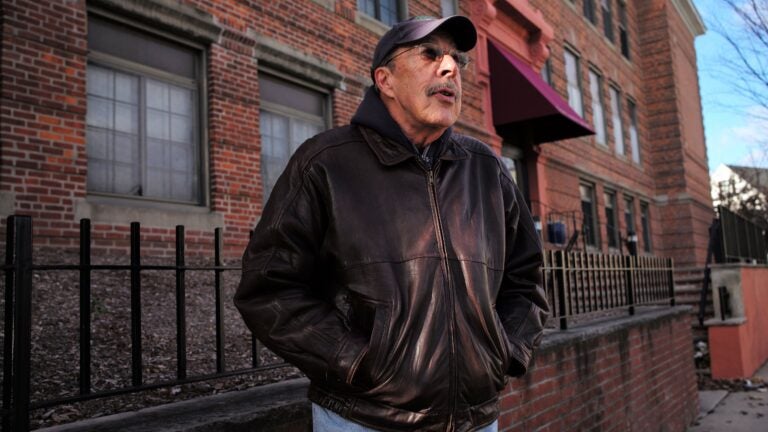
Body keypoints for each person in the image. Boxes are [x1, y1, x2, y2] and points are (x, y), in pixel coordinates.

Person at [234, 15, 549, 432]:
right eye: (430, 54)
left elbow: (527, 278)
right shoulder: (326, 163)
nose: (450, 68)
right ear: (385, 80)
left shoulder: (485, 168)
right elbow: (269, 289)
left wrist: (504, 353)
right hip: (365, 420)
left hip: (476, 419)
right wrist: (356, 360)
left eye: (457, 59)